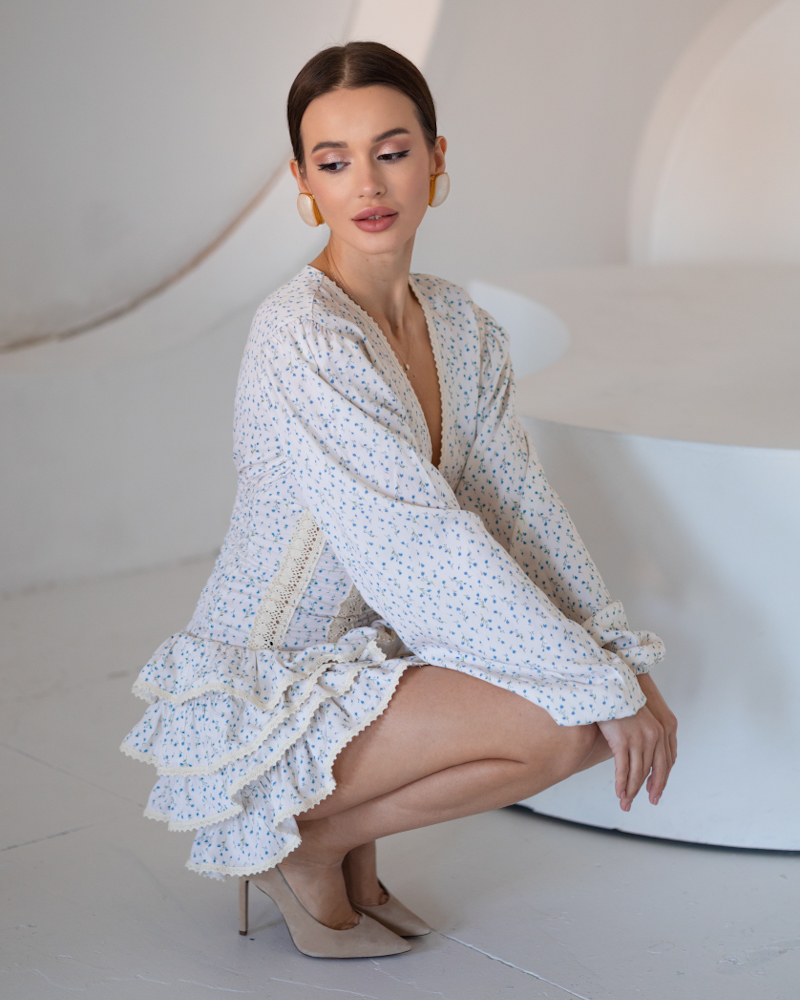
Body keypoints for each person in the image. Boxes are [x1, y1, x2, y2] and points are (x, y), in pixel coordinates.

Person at [121, 41, 677, 959]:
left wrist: (611, 648)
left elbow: (518, 510)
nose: (368, 184)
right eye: (334, 162)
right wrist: (592, 679)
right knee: (567, 719)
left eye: (391, 151)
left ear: (435, 157)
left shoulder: (458, 323)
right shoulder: (302, 332)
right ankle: (304, 843)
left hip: (373, 655)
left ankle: (326, 842)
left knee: (596, 705)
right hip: (272, 681)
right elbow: (418, 547)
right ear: (303, 181)